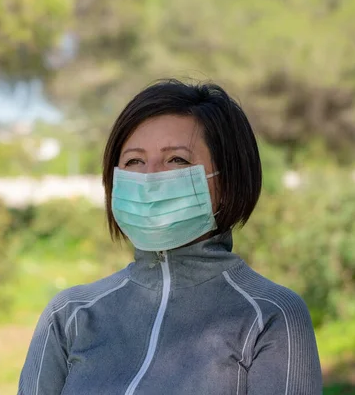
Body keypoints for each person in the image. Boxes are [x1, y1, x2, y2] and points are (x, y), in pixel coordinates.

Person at [18, 79, 323, 395]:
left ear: (227, 182)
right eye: (134, 161)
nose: (149, 177)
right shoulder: (70, 314)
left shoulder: (270, 314)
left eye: (177, 160)